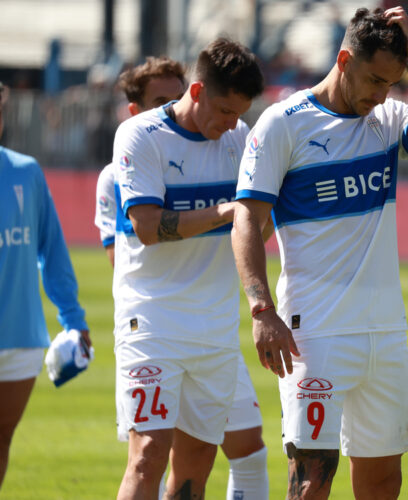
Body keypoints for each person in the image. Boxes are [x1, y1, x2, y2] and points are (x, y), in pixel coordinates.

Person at [231, 6, 408, 499]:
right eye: (373, 79)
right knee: (310, 483)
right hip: (315, 334)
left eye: (391, 83)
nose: (380, 93)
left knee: (384, 483)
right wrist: (261, 308)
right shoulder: (284, 124)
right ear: (343, 59)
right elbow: (246, 220)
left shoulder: (388, 120)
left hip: (384, 334)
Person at [95, 56, 269, 499]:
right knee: (148, 454)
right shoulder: (140, 135)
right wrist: (228, 212)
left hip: (214, 331)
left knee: (195, 466)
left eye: (240, 113)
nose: (232, 124)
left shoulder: (239, 137)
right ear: (197, 92)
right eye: (226, 110)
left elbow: (256, 229)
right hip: (152, 322)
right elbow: (148, 228)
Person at [0, 81, 91, 490]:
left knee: (2, 442)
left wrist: (73, 319)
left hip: (21, 340)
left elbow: (51, 251)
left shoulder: (25, 172)